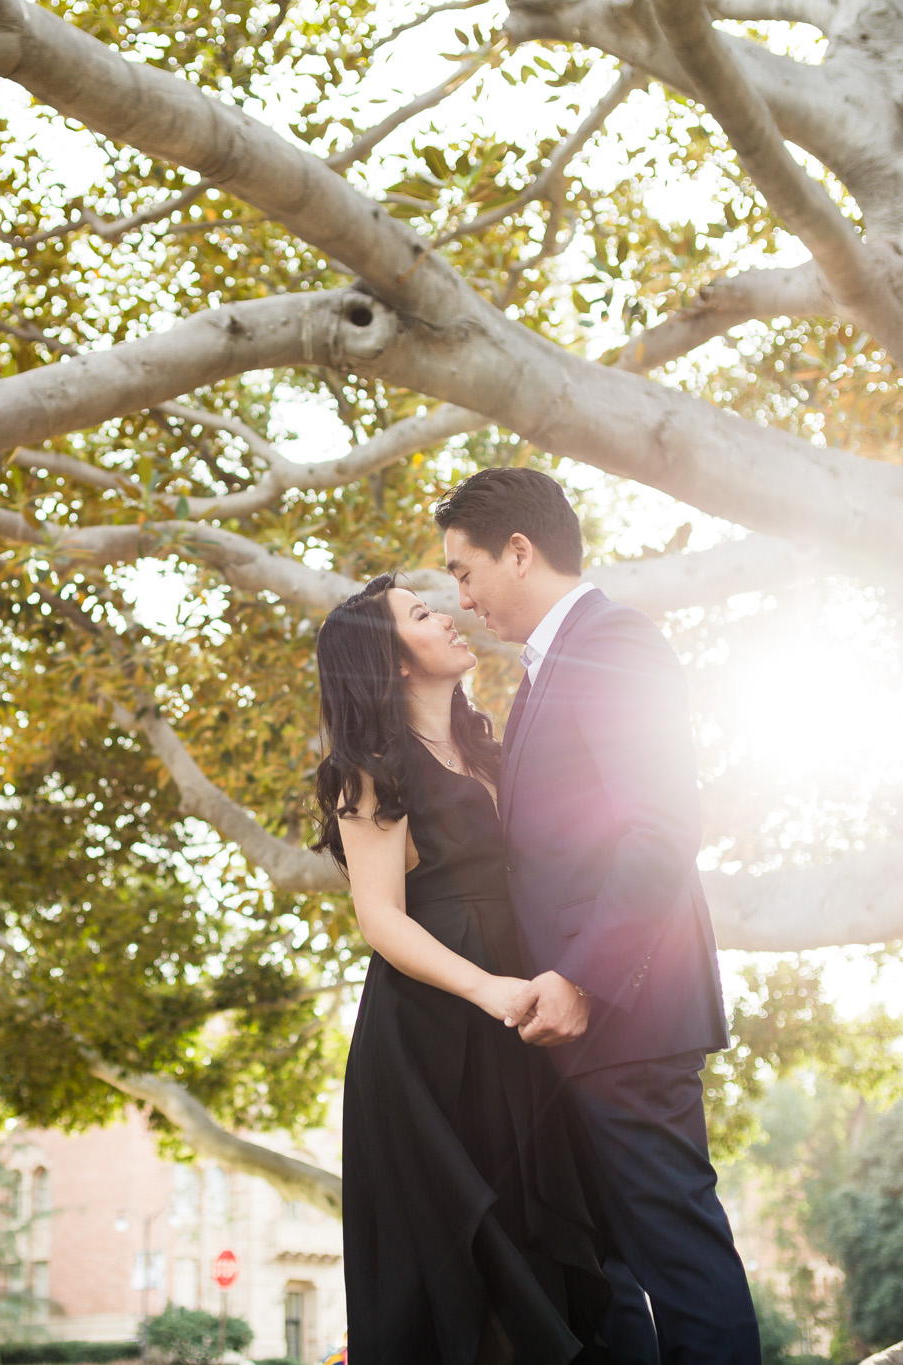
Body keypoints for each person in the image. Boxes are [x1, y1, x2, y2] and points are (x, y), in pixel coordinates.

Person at [435, 466, 757, 1365]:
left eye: (464, 572)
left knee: (677, 1258)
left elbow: (662, 828)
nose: (463, 597)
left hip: (628, 1012)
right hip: (571, 1026)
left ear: (521, 551)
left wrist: (582, 977)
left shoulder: (614, 642)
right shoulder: (543, 672)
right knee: (606, 1268)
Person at [313, 573, 612, 1365]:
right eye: (419, 614)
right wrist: (490, 989)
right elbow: (379, 916)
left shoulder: (490, 745)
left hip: (519, 1022)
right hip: (434, 1042)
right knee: (468, 1265)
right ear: (393, 663)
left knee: (540, 1243)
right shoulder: (367, 768)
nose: (445, 615)